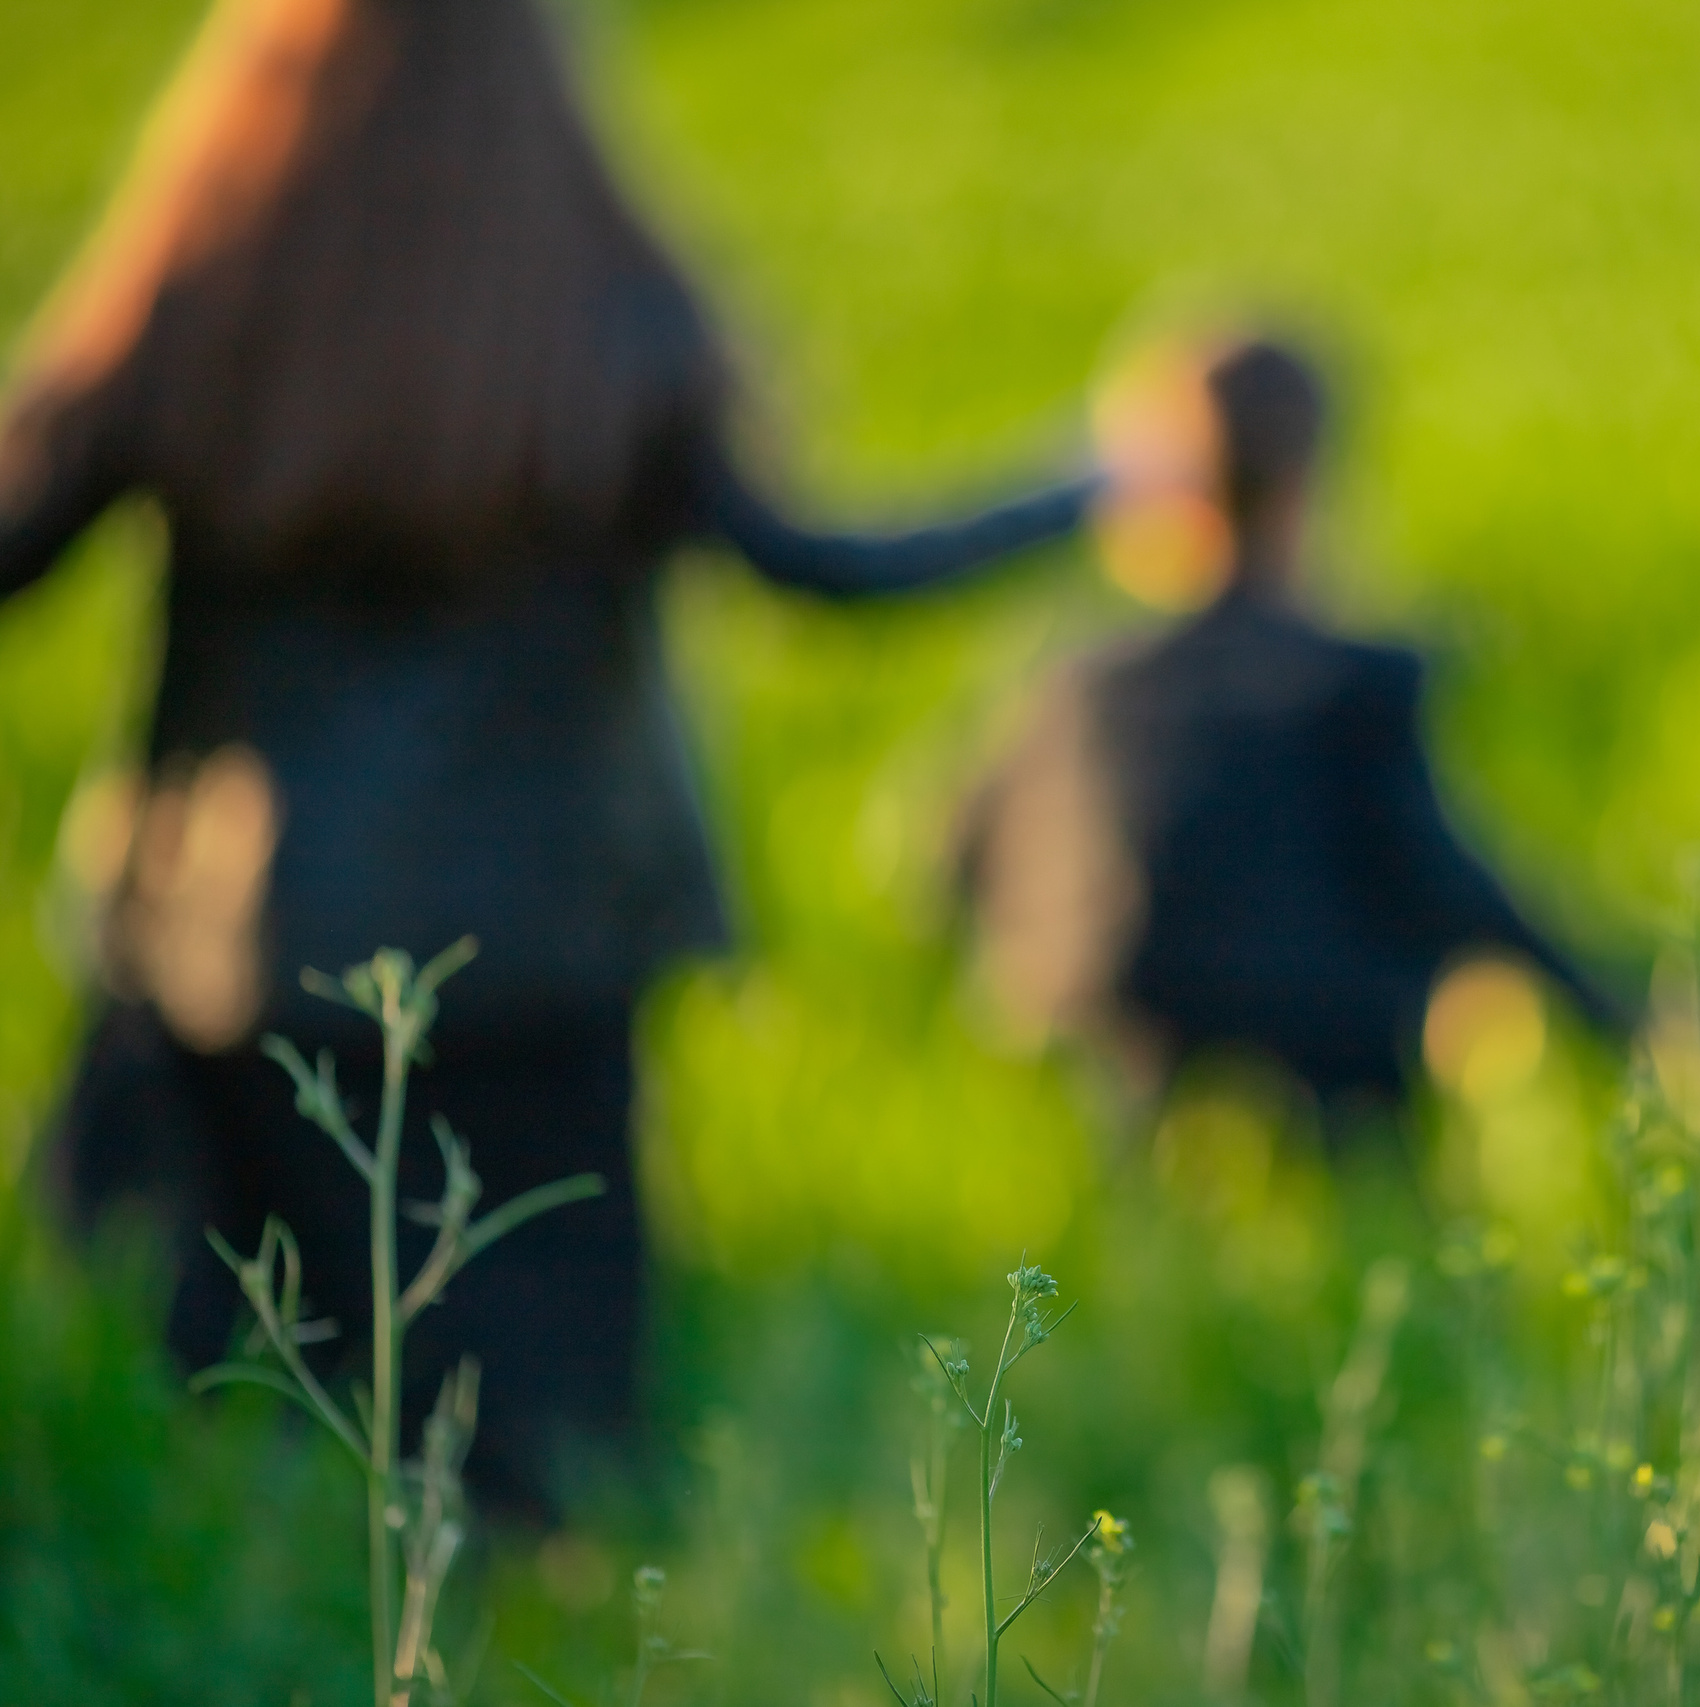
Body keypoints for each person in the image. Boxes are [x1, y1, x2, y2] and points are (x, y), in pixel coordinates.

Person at [0, 0, 1094, 1518]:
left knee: (242, 1434)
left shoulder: (202, 287)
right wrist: (1092, 485)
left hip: (240, 971)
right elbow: (826, 566)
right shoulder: (613, 319)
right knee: (540, 1467)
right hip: (539, 963)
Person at [960, 336, 1618, 1144]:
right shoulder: (1351, 680)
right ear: (1306, 486)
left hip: (1109, 1040)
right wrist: (1623, 1010)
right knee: (1424, 993)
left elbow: (953, 855)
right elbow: (1450, 883)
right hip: (1313, 1047)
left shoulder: (1078, 685)